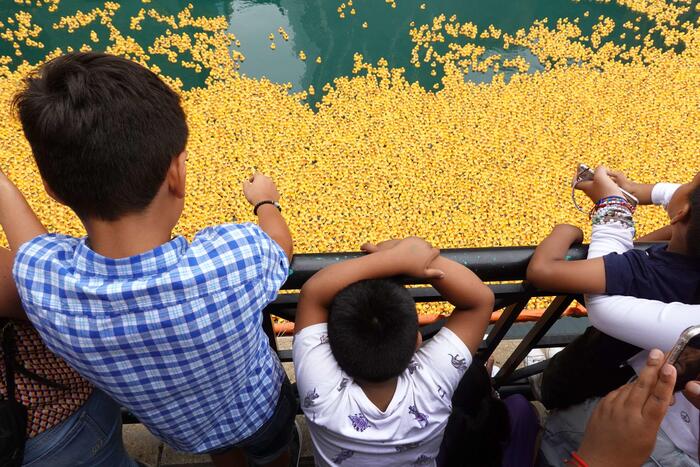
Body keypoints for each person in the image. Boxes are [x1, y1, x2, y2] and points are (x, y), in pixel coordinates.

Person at [5, 52, 297, 467]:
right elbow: (280, 247)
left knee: (222, 451)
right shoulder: (231, 257)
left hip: (182, 429)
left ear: (51, 189)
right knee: (272, 451)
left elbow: (29, 249)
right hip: (258, 410)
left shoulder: (47, 286)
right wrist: (265, 201)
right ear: (176, 174)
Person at [527, 167, 700, 464]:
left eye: (690, 181)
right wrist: (639, 190)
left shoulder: (645, 273)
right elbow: (674, 205)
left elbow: (547, 273)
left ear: (681, 213)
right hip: (651, 381)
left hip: (625, 394)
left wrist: (609, 207)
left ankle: (545, 434)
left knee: (566, 401)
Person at [293, 236, 494, 465]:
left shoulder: (320, 393)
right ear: (417, 341)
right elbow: (480, 300)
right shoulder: (432, 384)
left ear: (329, 345)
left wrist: (393, 259)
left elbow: (313, 293)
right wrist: (404, 256)